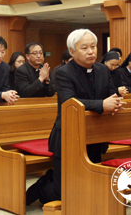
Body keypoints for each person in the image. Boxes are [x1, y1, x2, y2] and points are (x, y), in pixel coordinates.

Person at [26, 29, 125, 205]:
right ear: (72, 51)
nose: (91, 51)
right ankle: (42, 187)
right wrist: (102, 105)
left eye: (93, 47)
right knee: (63, 191)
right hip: (68, 136)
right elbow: (70, 102)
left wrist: (116, 103)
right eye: (84, 47)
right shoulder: (64, 72)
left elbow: (111, 93)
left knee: (91, 181)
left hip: (94, 135)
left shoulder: (102, 69)